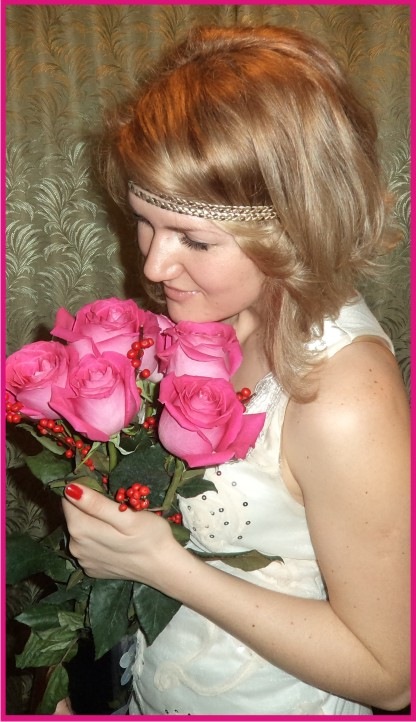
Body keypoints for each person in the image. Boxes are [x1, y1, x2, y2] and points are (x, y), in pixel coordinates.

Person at [59, 25, 410, 715]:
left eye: (194, 239)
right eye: (144, 220)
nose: (153, 265)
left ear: (294, 226)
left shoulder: (342, 399)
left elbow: (390, 673)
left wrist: (163, 567)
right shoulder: (218, 316)